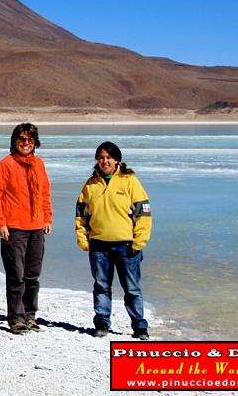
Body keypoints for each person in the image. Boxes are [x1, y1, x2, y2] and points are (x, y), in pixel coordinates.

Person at [75, 141, 153, 339]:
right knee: (101, 286)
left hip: (126, 245)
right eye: (101, 158)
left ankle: (139, 326)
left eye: (109, 157)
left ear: (117, 160)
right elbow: (81, 215)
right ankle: (102, 323)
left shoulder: (129, 181)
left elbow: (143, 211)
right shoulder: (91, 184)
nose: (105, 161)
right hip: (99, 245)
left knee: (132, 288)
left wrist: (139, 241)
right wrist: (83, 239)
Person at [0, 123, 53, 335]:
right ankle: (16, 318)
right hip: (14, 229)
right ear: (14, 141)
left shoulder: (39, 164)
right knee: (16, 275)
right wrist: (1, 223)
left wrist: (47, 218)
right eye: (22, 139)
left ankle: (30, 315)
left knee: (32, 275)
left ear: (35, 143)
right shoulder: (5, 165)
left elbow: (44, 193)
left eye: (30, 140)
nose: (26, 143)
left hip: (36, 227)